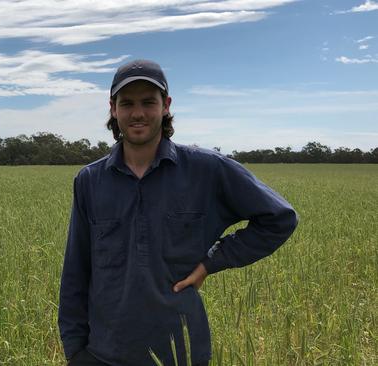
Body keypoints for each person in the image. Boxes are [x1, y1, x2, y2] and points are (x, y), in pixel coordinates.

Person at [58, 59, 298, 366]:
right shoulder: (90, 181)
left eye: (149, 102)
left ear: (166, 105)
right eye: (127, 103)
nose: (138, 113)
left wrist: (212, 262)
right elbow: (76, 270)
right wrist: (75, 350)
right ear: (113, 108)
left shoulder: (205, 169)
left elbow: (279, 218)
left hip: (181, 352)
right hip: (104, 354)